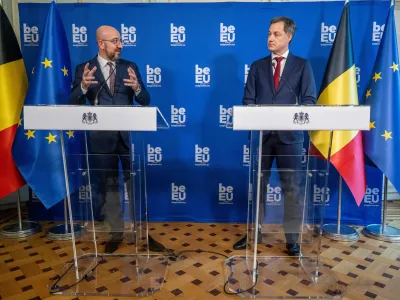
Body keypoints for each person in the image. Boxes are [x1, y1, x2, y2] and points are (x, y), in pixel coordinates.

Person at [69, 25, 165, 254]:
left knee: (135, 185)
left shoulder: (129, 67)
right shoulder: (85, 69)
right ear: (101, 44)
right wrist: (83, 86)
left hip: (128, 138)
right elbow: (73, 102)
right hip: (101, 139)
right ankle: (116, 233)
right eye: (114, 41)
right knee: (109, 186)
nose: (120, 44)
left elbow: (145, 100)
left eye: (120, 40)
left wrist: (138, 88)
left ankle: (143, 232)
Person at [233, 17, 317, 256]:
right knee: (257, 186)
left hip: (290, 138)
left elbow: (309, 100)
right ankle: (254, 233)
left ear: (289, 36)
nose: (270, 38)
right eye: (269, 33)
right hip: (263, 137)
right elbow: (248, 100)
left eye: (276, 34)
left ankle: (292, 239)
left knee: (292, 189)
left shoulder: (302, 65)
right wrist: (252, 112)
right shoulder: (258, 66)